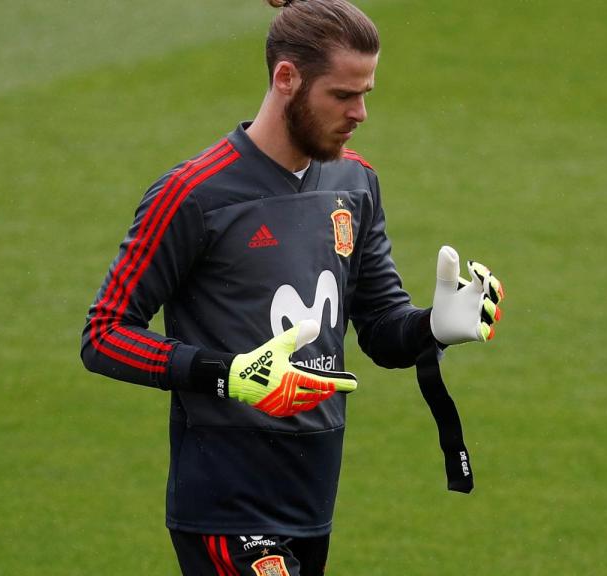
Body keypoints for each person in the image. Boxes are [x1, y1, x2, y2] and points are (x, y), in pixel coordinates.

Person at [80, 1, 504, 574]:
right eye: (342, 95)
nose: (360, 113)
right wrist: (227, 375)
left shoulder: (356, 182)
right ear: (286, 78)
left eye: (366, 94)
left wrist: (433, 327)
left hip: (312, 496)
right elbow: (104, 336)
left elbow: (380, 329)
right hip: (225, 504)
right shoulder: (193, 195)